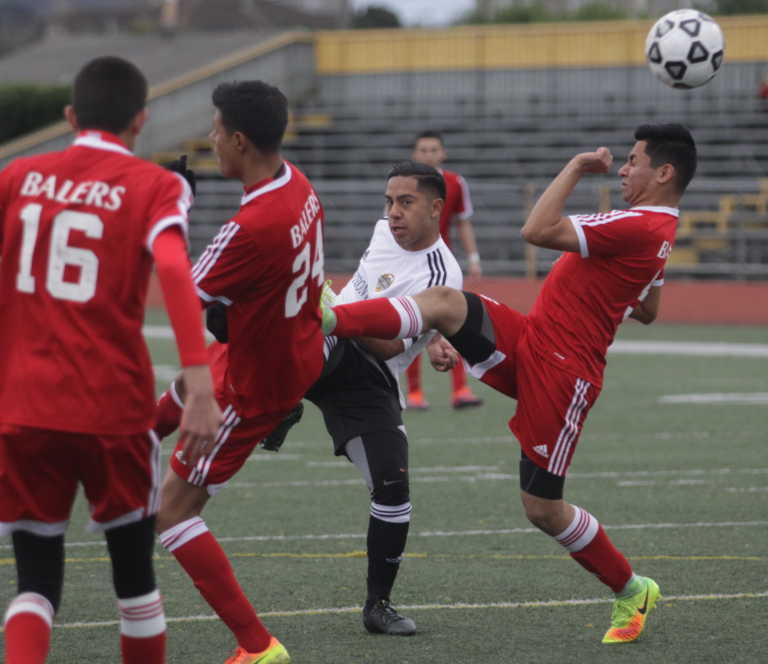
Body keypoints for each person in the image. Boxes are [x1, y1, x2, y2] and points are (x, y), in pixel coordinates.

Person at [322, 124, 697, 644]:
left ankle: (633, 589)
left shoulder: (640, 224)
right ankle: (330, 319)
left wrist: (576, 166)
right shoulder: (658, 230)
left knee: (542, 508)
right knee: (448, 305)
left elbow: (536, 230)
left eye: (634, 161)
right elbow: (650, 309)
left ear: (664, 172)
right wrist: (606, 295)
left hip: (565, 373)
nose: (625, 169)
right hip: (537, 339)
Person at [155, 160, 463, 637]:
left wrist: (332, 311)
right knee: (245, 346)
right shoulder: (385, 232)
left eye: (406, 202)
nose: (393, 212)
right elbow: (365, 290)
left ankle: (378, 605)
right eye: (389, 201)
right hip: (323, 340)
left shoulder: (443, 272)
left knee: (393, 490)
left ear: (437, 208)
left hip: (365, 368)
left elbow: (388, 344)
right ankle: (273, 387)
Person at [0, 56, 221, 664]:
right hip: (112, 410)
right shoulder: (156, 184)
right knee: (134, 585)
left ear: (71, 116)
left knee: (35, 584)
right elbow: (174, 268)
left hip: (23, 406)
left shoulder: (17, 176)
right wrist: (199, 380)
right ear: (141, 120)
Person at [153, 80, 325, 664]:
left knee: (172, 511)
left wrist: (172, 205)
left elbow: (178, 289)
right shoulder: (296, 183)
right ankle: (134, 439)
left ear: (241, 140)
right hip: (284, 348)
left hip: (257, 384)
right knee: (185, 381)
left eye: (216, 130)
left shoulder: (251, 227)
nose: (210, 138)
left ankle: (258, 646)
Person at [407, 130, 483, 410]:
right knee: (413, 323)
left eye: (433, 149)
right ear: (415, 154)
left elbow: (463, 222)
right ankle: (414, 394)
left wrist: (473, 256)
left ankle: (460, 389)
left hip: (443, 265)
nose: (428, 154)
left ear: (443, 153)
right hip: (411, 264)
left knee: (454, 323)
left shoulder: (454, 182)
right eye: (423, 150)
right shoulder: (404, 184)